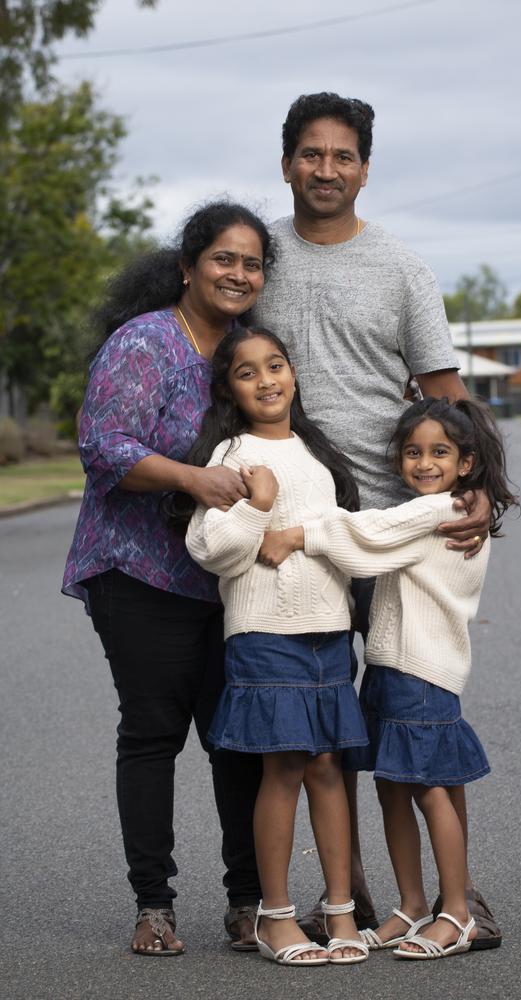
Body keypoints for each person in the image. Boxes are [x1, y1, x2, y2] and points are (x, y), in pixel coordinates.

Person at [252, 91, 500, 948]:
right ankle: (336, 893)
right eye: (311, 155)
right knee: (297, 723)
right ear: (286, 162)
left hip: (390, 534)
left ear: (365, 167)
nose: (327, 170)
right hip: (288, 536)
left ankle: (454, 897)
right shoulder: (256, 258)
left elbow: (445, 393)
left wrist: (481, 491)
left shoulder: (401, 268)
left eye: (343, 156)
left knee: (410, 712)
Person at [62, 201, 273, 956]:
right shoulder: (145, 341)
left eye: (251, 264)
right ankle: (154, 905)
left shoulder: (249, 349)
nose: (238, 274)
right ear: (187, 266)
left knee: (237, 742)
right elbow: (103, 446)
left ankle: (249, 902)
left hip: (227, 578)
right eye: (223, 258)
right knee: (153, 736)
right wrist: (193, 477)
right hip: (138, 573)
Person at [258, 396, 519, 960]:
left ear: (466, 463)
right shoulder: (434, 507)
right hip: (390, 668)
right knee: (391, 789)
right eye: (412, 453)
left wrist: (297, 534)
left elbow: (369, 537)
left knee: (427, 791)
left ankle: (457, 912)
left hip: (422, 674)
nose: (424, 463)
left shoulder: (444, 510)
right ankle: (411, 906)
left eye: (439, 453)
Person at [182, 326, 370, 966]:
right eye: (247, 372)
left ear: (293, 374)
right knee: (285, 768)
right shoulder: (229, 457)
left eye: (277, 365)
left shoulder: (317, 455)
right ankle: (275, 916)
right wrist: (258, 506)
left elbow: (343, 538)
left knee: (327, 768)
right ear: (229, 390)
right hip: (266, 635)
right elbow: (215, 552)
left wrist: (306, 531)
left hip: (328, 634)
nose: (267, 380)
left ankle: (341, 912)